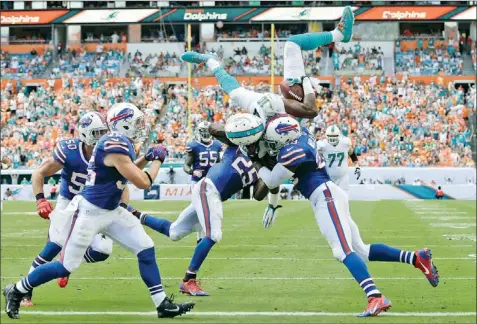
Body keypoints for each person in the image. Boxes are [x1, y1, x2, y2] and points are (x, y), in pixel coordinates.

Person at [3, 103, 195, 319]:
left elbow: (126, 169)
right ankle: (17, 289)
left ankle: (162, 304)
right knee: (64, 267)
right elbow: (142, 182)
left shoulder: (119, 143)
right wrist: (158, 161)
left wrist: (147, 158)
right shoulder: (113, 145)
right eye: (136, 123)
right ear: (122, 124)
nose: (141, 126)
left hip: (112, 211)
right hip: (90, 213)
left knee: (145, 248)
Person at [253, 115, 439, 317]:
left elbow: (271, 181)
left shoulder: (295, 150)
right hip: (330, 192)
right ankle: (416, 258)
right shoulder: (302, 136)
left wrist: (252, 159)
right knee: (361, 251)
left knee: (341, 250)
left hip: (324, 196)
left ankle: (375, 296)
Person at [132, 114, 270, 296]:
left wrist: (272, 177)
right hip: (208, 189)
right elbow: (213, 129)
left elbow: (259, 195)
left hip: (212, 194)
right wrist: (237, 132)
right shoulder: (238, 143)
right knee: (213, 234)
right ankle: (188, 280)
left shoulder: (265, 164)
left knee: (174, 232)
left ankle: (132, 213)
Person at [20, 112, 112, 307]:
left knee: (103, 250)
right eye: (98, 132)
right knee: (53, 245)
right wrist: (40, 200)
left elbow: (123, 185)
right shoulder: (69, 150)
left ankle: (66, 260)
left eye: (104, 131)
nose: (102, 136)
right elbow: (39, 173)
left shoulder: (110, 153)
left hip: (93, 206)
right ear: (86, 133)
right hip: (68, 203)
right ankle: (24, 291)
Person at [316, 125, 361, 194]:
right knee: (329, 202)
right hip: (328, 178)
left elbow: (352, 154)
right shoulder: (322, 145)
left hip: (342, 178)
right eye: (330, 136)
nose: (332, 139)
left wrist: (357, 166)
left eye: (334, 136)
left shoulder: (345, 143)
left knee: (344, 201)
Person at [183, 121, 223, 185]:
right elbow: (186, 165)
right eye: (204, 131)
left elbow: (219, 163)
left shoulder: (217, 144)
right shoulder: (193, 145)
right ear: (199, 131)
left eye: (208, 131)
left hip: (213, 179)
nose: (206, 133)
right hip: (197, 180)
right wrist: (192, 172)